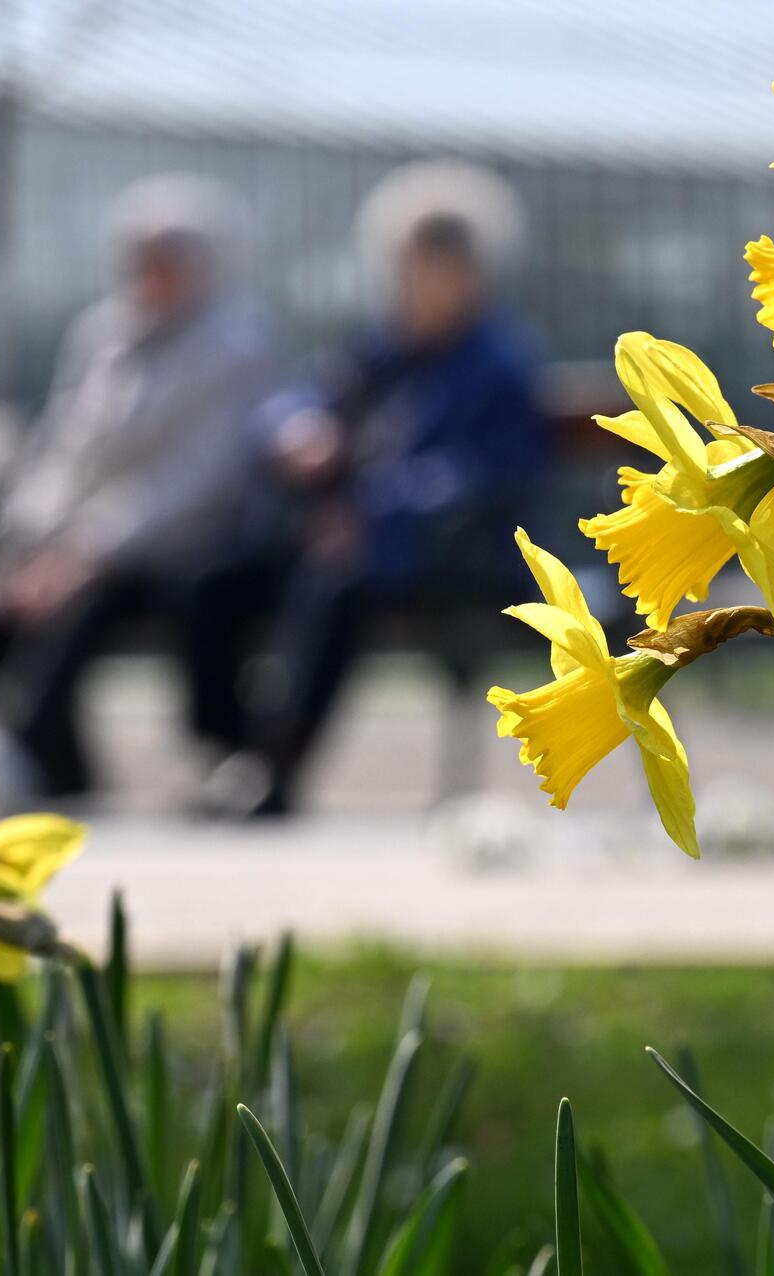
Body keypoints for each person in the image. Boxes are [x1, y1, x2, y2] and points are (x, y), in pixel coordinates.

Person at [0, 173, 273, 799]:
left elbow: (194, 479)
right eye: (139, 261)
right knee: (10, 598)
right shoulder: (104, 336)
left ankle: (31, 752)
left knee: (78, 604)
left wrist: (85, 550)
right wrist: (37, 537)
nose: (149, 276)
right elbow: (67, 444)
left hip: (182, 544)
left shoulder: (234, 347)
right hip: (88, 539)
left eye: (166, 262)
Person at [190, 160, 548, 816]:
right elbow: (297, 400)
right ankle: (228, 754)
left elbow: (484, 475)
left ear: (468, 273)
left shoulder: (498, 362)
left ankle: (276, 773)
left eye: (426, 267)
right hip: (347, 538)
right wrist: (298, 429)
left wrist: (373, 515)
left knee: (333, 585)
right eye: (405, 266)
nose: (410, 282)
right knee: (213, 580)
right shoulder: (379, 349)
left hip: (443, 555)